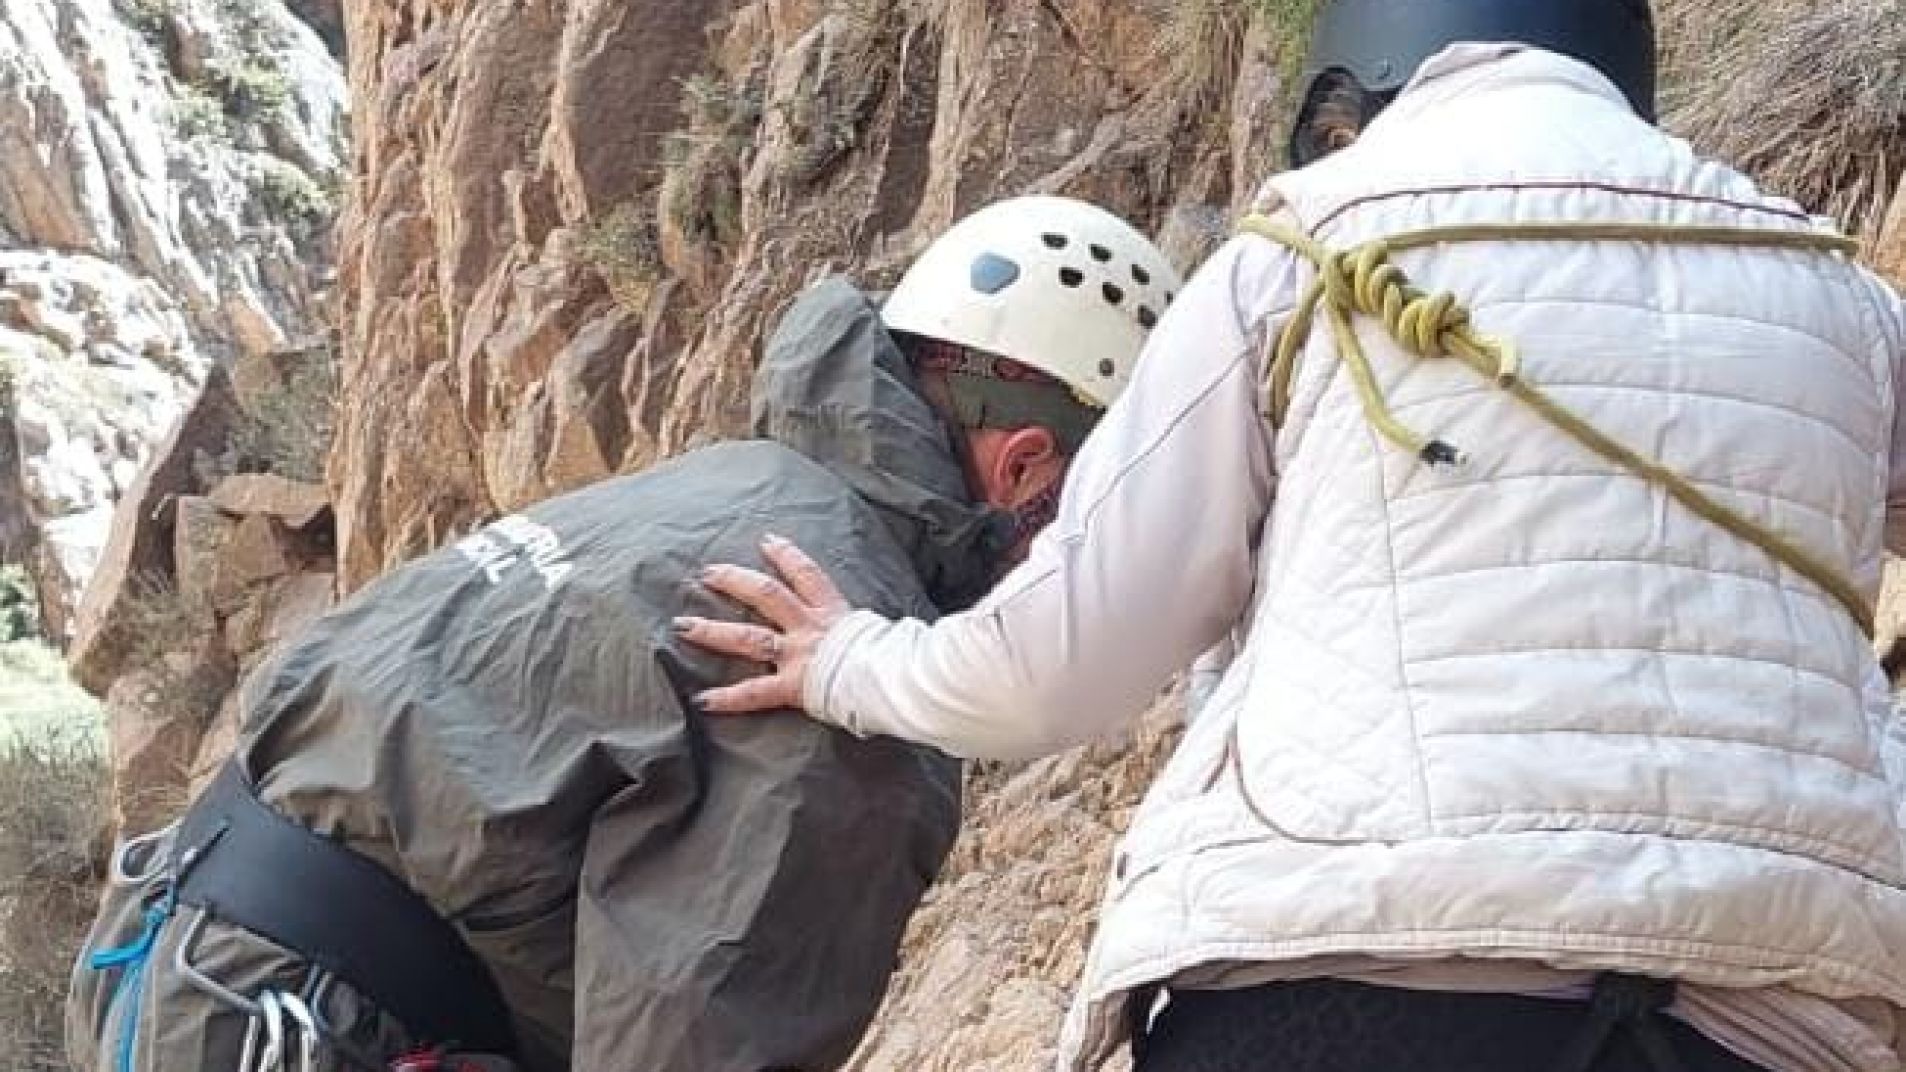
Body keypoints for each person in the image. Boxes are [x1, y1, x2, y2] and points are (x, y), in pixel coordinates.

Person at [675, 3, 1906, 1071]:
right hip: (1773, 1007)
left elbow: (1057, 664)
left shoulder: (1310, 241)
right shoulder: (1835, 285)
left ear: (1360, 72)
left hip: (1357, 961)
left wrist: (847, 661)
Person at [65, 196, 1183, 1072]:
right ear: (1025, 465)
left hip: (175, 960)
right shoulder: (831, 660)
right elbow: (701, 1037)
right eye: (1094, 513)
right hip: (308, 1027)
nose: (1080, 558)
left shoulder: (732, 486)